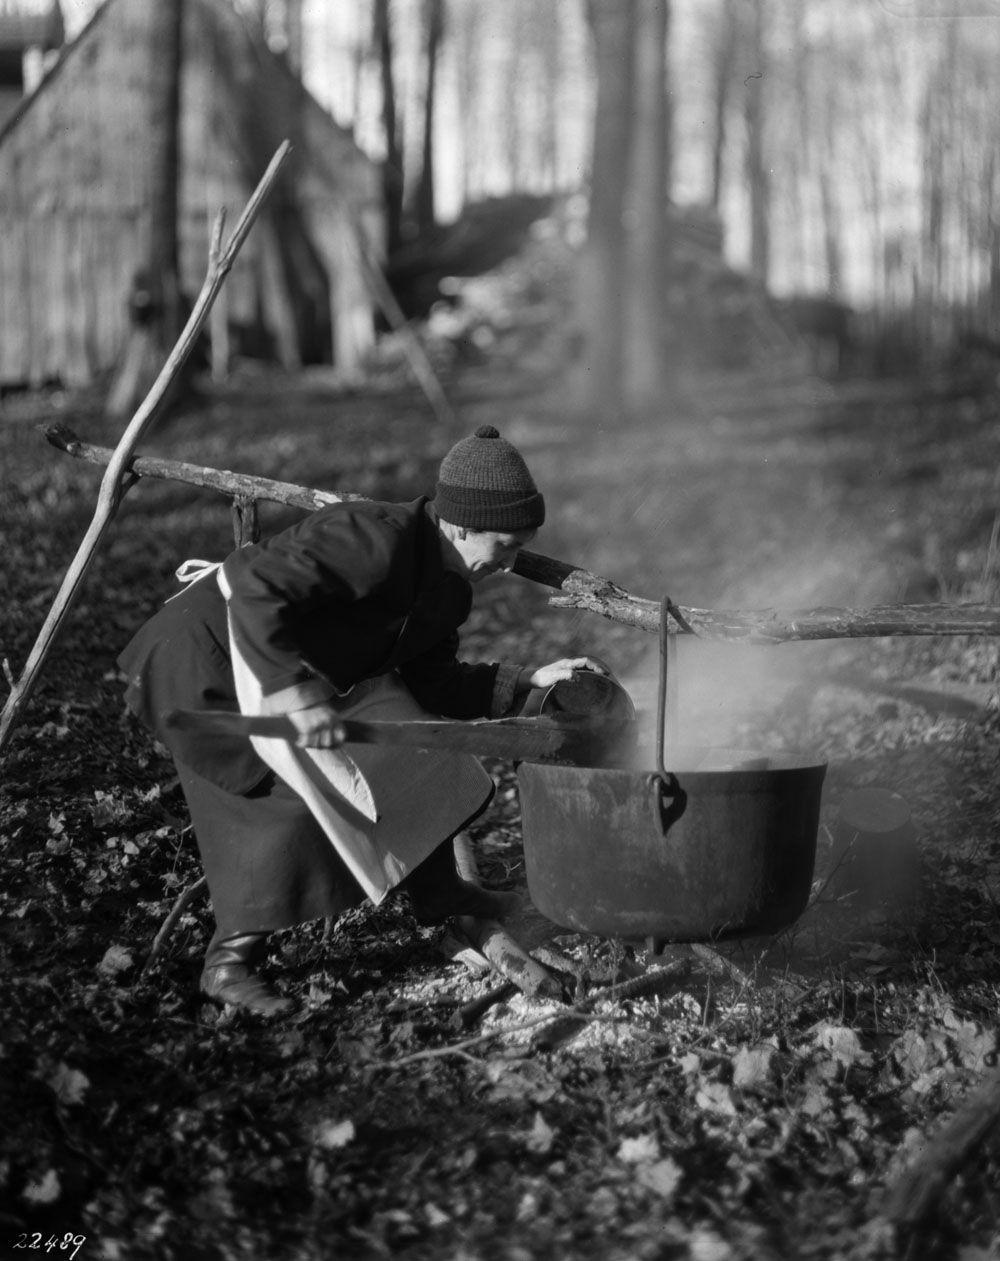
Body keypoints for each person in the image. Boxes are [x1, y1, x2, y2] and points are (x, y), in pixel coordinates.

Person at [119, 425, 612, 1016]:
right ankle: (226, 965)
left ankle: (436, 891)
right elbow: (254, 589)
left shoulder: (448, 589)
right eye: (504, 545)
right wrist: (293, 701)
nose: (508, 565)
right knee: (285, 800)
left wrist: (531, 681)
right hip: (207, 660)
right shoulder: (372, 537)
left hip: (287, 665)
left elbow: (436, 684)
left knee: (419, 739)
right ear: (458, 524)